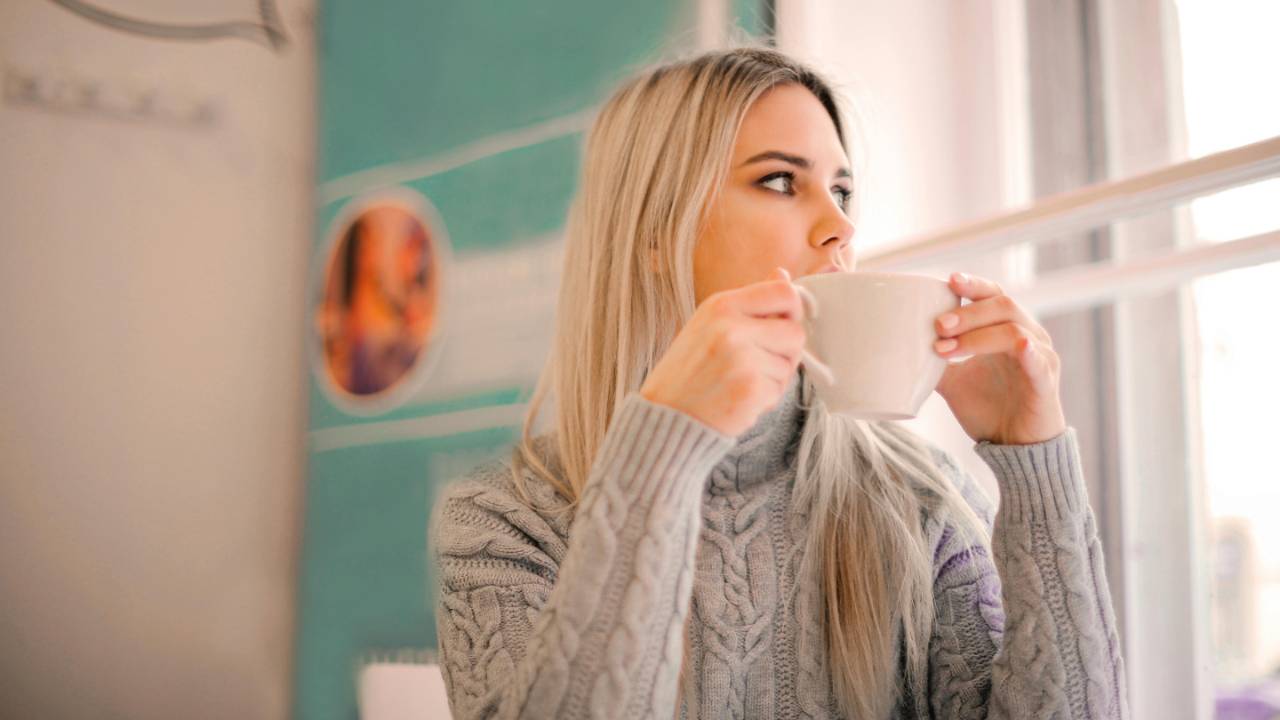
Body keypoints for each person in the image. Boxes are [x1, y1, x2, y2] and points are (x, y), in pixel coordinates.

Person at [430, 46, 1128, 719]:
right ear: (653, 231)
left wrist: (1035, 464)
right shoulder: (502, 524)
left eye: (842, 189)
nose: (840, 226)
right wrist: (663, 453)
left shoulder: (921, 502)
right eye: (779, 181)